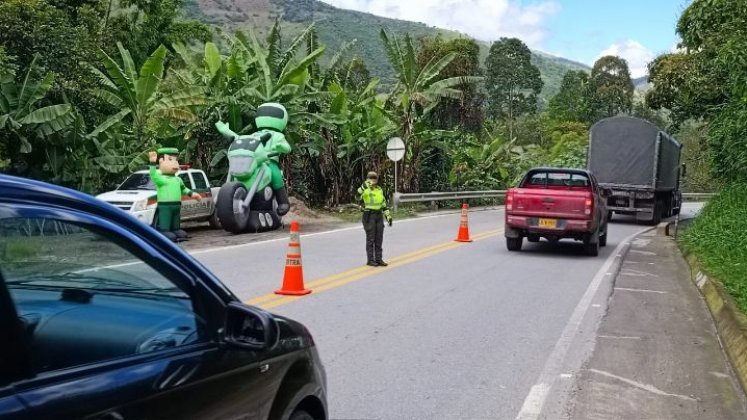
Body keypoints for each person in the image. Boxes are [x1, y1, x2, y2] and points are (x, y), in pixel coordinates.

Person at [148, 148, 201, 242]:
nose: (175, 163)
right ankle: (165, 231)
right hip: (165, 205)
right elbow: (153, 174)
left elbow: (184, 189)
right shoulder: (161, 179)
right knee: (166, 219)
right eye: (170, 160)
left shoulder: (178, 179)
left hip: (177, 205)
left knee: (176, 219)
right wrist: (152, 163)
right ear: (161, 161)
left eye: (175, 160)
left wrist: (193, 194)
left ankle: (176, 230)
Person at [358, 171, 392, 267]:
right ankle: (370, 260)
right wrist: (364, 186)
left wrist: (388, 216)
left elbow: (384, 204)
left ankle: (378, 259)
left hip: (379, 215)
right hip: (369, 216)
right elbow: (357, 194)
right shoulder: (365, 189)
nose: (373, 180)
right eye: (371, 178)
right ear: (367, 179)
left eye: (374, 178)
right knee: (371, 239)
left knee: (379, 239)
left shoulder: (379, 189)